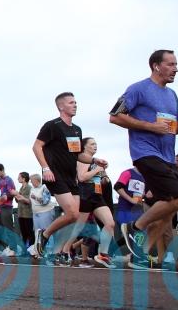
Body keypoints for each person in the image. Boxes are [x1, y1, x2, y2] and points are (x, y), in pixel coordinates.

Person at [109, 50, 178, 269]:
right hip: (146, 153)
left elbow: (176, 127)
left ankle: (140, 254)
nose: (176, 69)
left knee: (168, 209)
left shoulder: (172, 95)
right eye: (171, 64)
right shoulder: (138, 89)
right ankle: (135, 227)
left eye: (176, 64)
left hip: (167, 157)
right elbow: (115, 116)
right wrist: (150, 126)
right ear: (156, 66)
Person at [29, 92, 107, 263]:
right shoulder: (52, 125)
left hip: (71, 178)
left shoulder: (77, 129)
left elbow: (78, 154)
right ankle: (44, 235)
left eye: (75, 102)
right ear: (61, 106)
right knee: (72, 212)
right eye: (71, 103)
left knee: (74, 216)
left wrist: (94, 160)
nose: (75, 105)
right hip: (55, 175)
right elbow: (36, 147)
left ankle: (56, 249)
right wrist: (45, 168)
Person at [58, 137, 115, 268]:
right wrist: (97, 169)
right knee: (78, 227)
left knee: (110, 223)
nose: (95, 146)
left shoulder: (96, 162)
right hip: (85, 195)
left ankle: (103, 254)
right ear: (84, 147)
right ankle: (65, 250)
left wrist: (104, 175)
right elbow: (82, 177)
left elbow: (102, 179)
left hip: (97, 195)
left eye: (96, 144)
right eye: (92, 144)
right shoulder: (83, 159)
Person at [29, 174, 56, 238]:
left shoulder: (44, 187)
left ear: (36, 180)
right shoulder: (32, 189)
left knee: (46, 231)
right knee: (37, 233)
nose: (31, 182)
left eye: (31, 181)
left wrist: (35, 198)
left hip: (45, 213)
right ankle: (39, 244)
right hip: (35, 214)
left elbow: (45, 201)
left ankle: (50, 244)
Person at [14, 172, 34, 251]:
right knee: (23, 232)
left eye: (19, 177)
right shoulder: (21, 188)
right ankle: (24, 249)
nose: (18, 179)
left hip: (28, 214)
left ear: (24, 178)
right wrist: (16, 195)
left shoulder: (29, 188)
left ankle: (32, 248)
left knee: (29, 232)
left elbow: (29, 201)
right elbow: (18, 200)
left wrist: (19, 196)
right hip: (21, 213)